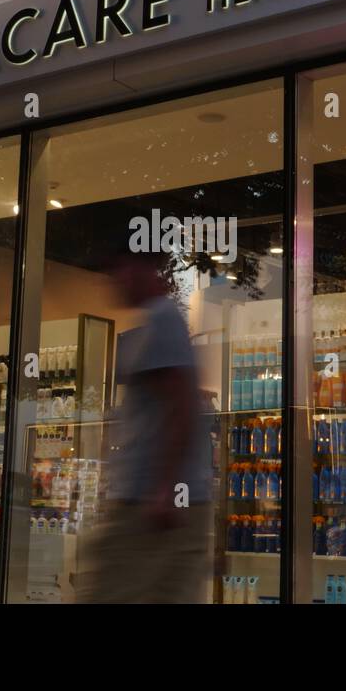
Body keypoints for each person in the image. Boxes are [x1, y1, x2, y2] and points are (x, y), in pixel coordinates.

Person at [79, 247, 213, 603]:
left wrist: (164, 490)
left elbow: (181, 404)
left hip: (148, 509)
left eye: (116, 271)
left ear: (139, 268)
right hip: (166, 504)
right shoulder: (160, 321)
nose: (112, 283)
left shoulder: (163, 319)